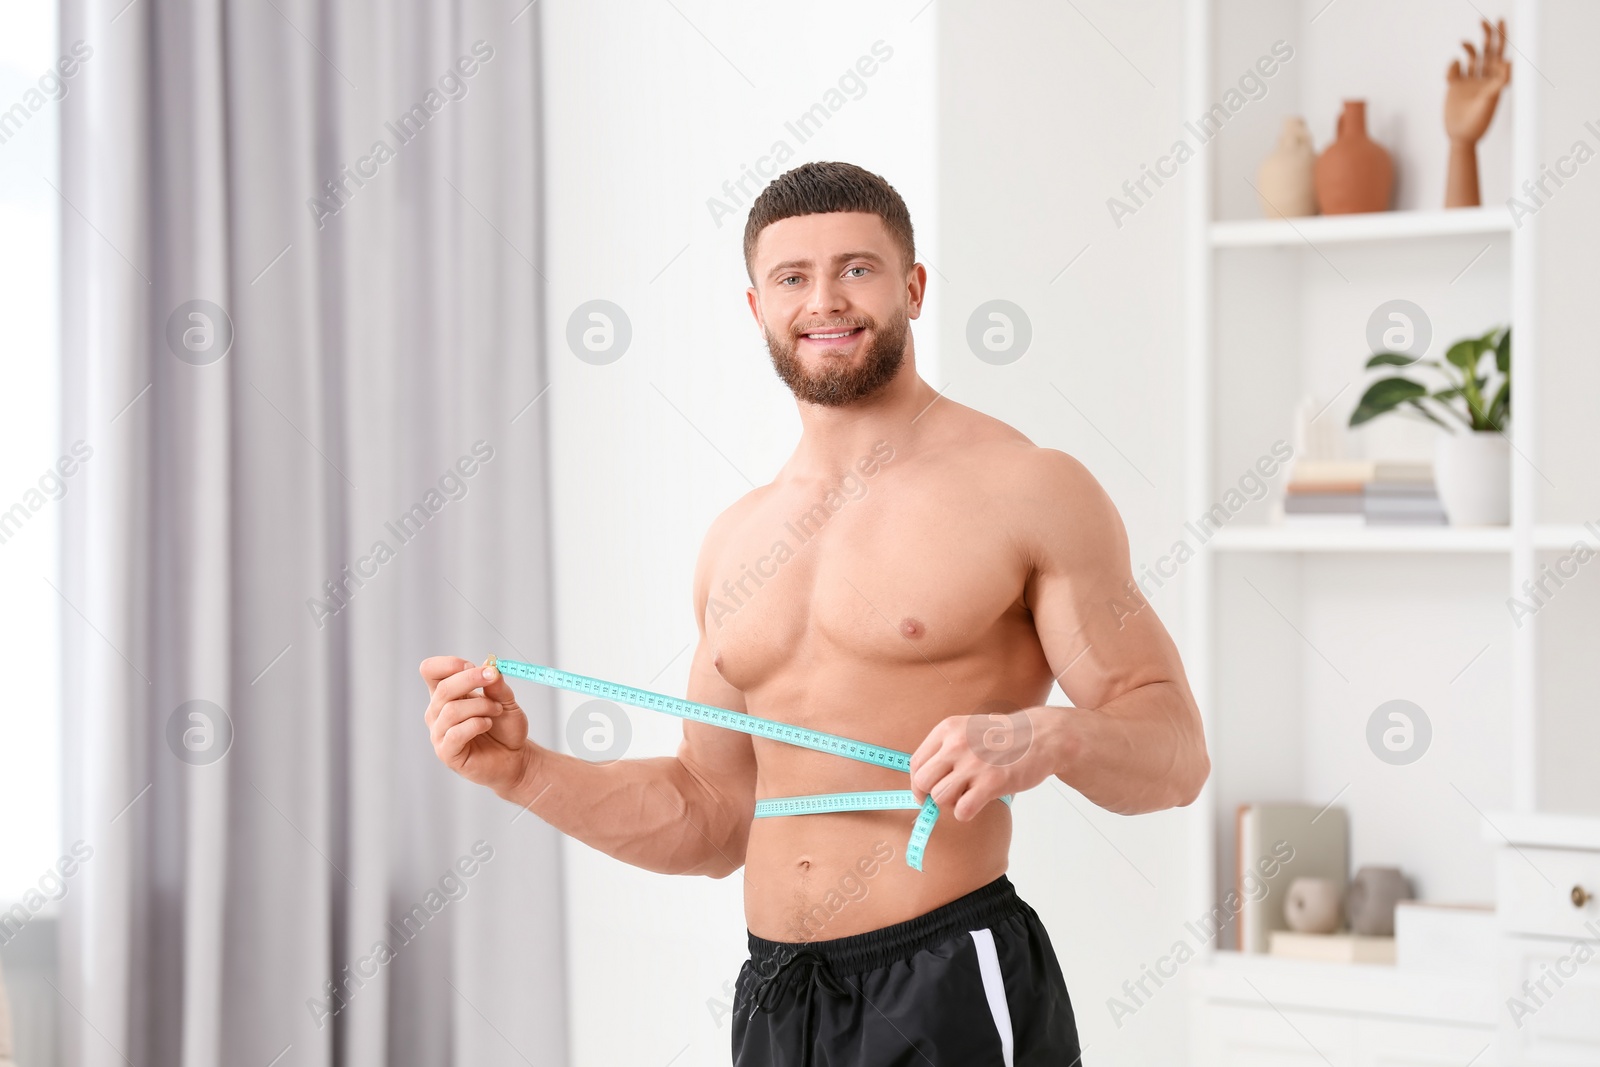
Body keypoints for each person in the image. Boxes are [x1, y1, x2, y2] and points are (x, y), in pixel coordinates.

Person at [422, 160, 1209, 1065]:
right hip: (775, 996)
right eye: (792, 277)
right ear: (755, 306)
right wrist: (521, 772)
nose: (825, 299)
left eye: (857, 269)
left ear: (912, 287)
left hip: (947, 973)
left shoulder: (1029, 487)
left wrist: (1044, 736)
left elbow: (1177, 752)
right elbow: (712, 812)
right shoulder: (737, 540)